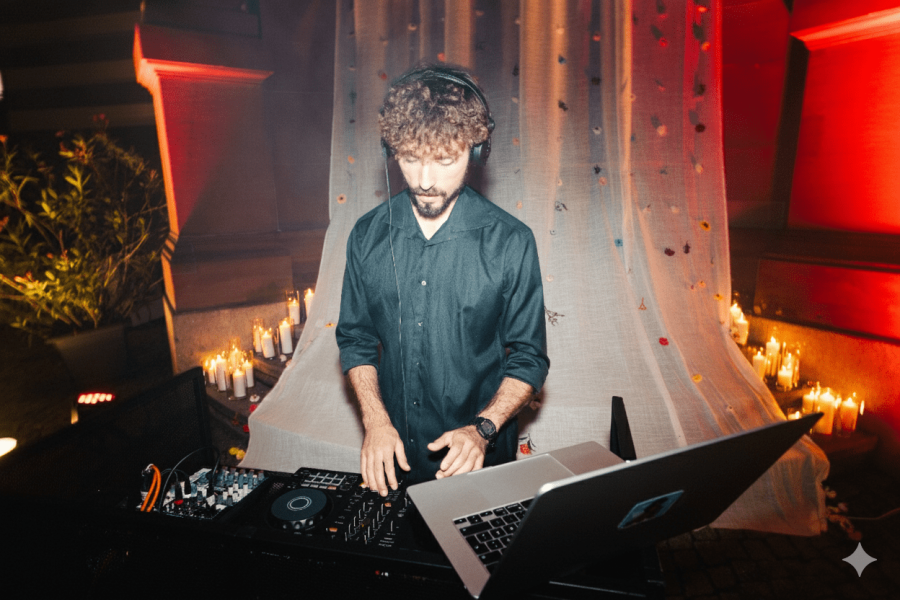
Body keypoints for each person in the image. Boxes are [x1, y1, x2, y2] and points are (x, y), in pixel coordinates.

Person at [336, 64, 549, 496]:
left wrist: (483, 429)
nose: (425, 181)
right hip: (396, 459)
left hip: (480, 463)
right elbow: (356, 339)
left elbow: (529, 358)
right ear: (392, 150)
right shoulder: (366, 235)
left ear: (475, 151)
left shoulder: (511, 242)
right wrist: (375, 421)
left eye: (444, 160)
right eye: (411, 158)